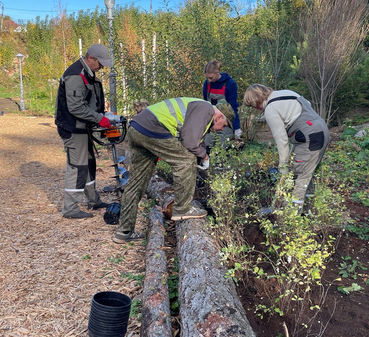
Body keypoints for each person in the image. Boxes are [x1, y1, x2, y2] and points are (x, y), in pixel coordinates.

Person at [113, 97, 234, 243]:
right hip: (153, 128)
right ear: (219, 116)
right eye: (224, 126)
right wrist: (205, 157)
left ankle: (123, 232)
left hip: (137, 128)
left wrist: (202, 154)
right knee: (186, 160)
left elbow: (194, 140)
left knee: (136, 183)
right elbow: (188, 141)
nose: (221, 130)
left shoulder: (200, 111)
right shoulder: (206, 109)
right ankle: (182, 209)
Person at [243, 84, 329, 211]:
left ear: (258, 100)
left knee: (299, 177)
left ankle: (292, 218)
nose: (256, 109)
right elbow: (305, 105)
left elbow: (282, 141)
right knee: (307, 173)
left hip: (309, 137)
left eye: (254, 105)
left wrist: (283, 167)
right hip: (321, 130)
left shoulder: (270, 109)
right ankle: (308, 211)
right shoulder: (285, 93)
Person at [54, 44, 115, 219]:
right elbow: (75, 107)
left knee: (88, 164)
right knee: (78, 166)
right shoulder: (76, 75)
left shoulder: (87, 73)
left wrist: (102, 115)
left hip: (83, 128)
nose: (102, 67)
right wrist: (99, 119)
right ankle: (70, 208)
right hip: (73, 128)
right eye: (100, 63)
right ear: (91, 58)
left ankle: (93, 200)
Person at [202, 59, 241, 148]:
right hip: (211, 121)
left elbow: (233, 106)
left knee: (223, 142)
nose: (209, 80)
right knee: (206, 142)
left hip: (225, 122)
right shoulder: (206, 84)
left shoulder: (230, 84)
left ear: (217, 72)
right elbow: (205, 104)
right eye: (207, 78)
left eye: (211, 77)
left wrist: (236, 127)